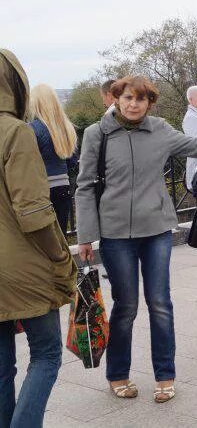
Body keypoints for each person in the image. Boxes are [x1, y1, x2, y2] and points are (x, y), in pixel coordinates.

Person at [75, 76, 197, 403]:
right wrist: (86, 234)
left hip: (156, 230)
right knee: (125, 307)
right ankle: (118, 374)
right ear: (117, 98)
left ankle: (165, 375)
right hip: (115, 235)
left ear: (149, 103)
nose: (132, 104)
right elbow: (84, 186)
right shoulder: (96, 134)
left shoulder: (159, 129)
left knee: (160, 304)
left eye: (140, 100)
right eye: (127, 98)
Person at [0, 49, 76, 428]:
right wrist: (63, 260)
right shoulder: (16, 132)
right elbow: (34, 213)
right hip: (24, 269)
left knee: (1, 368)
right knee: (46, 354)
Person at [29, 84, 78, 236]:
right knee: (61, 237)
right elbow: (72, 161)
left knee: (45, 240)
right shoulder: (66, 128)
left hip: (41, 190)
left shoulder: (31, 129)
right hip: (63, 187)